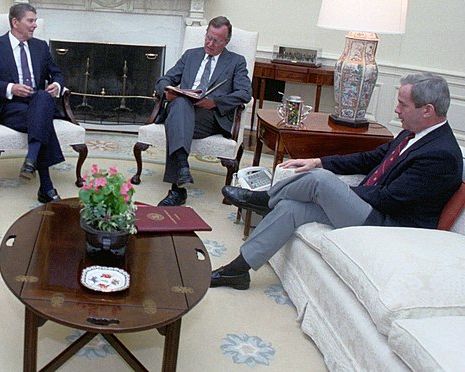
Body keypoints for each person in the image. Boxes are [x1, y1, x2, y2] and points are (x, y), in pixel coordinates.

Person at [213, 73, 463, 290]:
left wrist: (342, 192)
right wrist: (318, 161)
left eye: (402, 104)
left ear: (427, 110)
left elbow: (390, 199)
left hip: (388, 225)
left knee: (321, 183)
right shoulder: (413, 134)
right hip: (372, 210)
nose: (396, 109)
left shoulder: (441, 154)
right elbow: (370, 158)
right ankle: (238, 270)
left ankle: (266, 199)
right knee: (291, 208)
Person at [154, 16, 252, 206]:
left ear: (226, 42)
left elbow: (245, 93)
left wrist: (214, 102)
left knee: (177, 117)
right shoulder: (191, 55)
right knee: (180, 104)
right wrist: (168, 93)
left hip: (209, 118)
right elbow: (164, 80)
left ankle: (177, 190)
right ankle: (182, 169)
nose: (210, 43)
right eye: (208, 37)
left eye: (216, 40)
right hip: (182, 109)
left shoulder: (236, 62)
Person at [0, 3, 66, 203]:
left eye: (35, 21)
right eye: (30, 21)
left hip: (38, 101)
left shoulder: (40, 46)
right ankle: (45, 186)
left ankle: (31, 160)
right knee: (42, 121)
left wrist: (57, 86)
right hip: (10, 106)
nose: (35, 25)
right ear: (15, 22)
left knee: (42, 97)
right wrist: (10, 88)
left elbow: (57, 73)